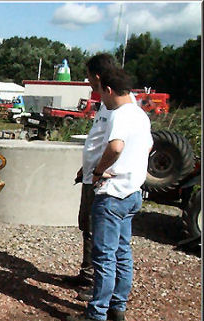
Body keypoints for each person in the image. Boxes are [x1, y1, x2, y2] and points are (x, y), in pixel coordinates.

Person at [65, 67, 153, 321]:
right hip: (132, 192)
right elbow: (148, 146)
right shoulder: (140, 114)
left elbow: (115, 147)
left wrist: (100, 170)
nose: (100, 97)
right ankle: (118, 305)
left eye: (100, 92)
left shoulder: (119, 114)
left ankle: (97, 313)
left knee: (104, 255)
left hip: (112, 193)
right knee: (123, 252)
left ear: (110, 90)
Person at [66, 54, 134, 300]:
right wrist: (86, 168)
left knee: (100, 233)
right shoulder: (106, 101)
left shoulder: (118, 103)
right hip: (91, 175)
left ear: (96, 76)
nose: (87, 82)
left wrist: (97, 172)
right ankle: (87, 273)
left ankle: (99, 287)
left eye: (87, 76)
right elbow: (98, 140)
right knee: (87, 226)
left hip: (103, 179)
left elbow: (116, 145)